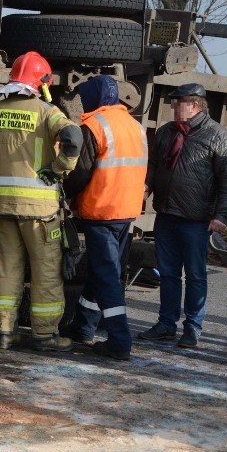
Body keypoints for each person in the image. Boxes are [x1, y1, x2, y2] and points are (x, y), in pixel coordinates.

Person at [0, 51, 82, 351]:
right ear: (42, 83)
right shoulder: (46, 112)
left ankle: (4, 332)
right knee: (45, 272)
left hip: (2, 207)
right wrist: (59, 169)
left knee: (6, 268)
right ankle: (45, 336)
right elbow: (74, 139)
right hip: (39, 211)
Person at [139, 83, 227, 348]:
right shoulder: (166, 132)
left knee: (195, 275)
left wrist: (221, 216)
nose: (172, 106)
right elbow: (155, 165)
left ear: (194, 105)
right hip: (167, 215)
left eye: (177, 102)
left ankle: (192, 327)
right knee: (168, 274)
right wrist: (146, 187)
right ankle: (166, 324)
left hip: (196, 220)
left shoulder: (218, 135)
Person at [63, 75, 147, 361]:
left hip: (102, 211)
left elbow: (80, 173)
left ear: (92, 98)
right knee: (104, 272)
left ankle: (119, 340)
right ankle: (83, 327)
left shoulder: (94, 126)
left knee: (108, 277)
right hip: (126, 212)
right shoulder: (136, 127)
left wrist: (65, 193)